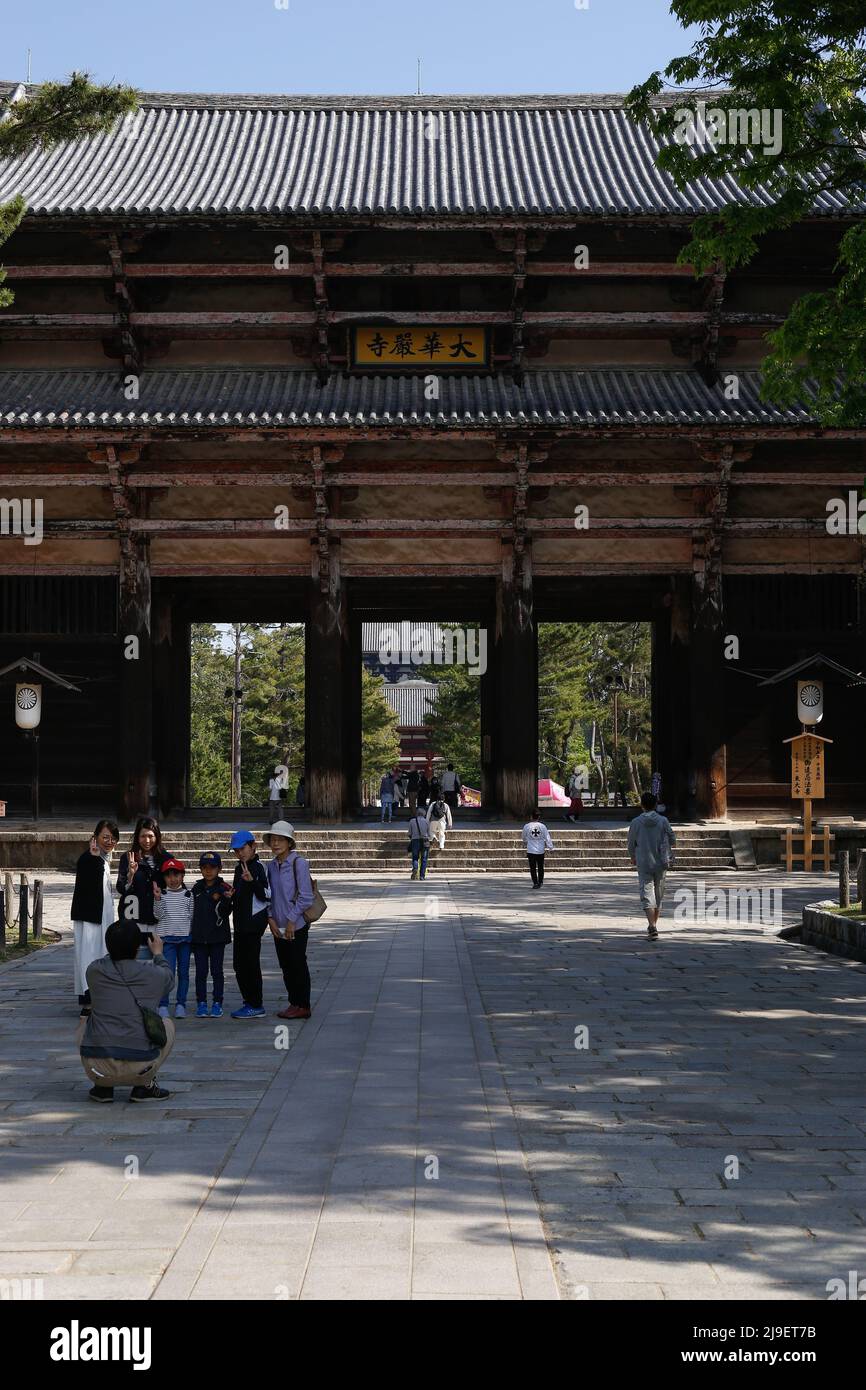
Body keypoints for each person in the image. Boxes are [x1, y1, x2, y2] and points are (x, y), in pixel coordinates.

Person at [79, 918, 175, 1104]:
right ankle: (144, 1086)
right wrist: (158, 954)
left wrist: (117, 950)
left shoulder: (94, 971)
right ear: (137, 948)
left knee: (86, 1020)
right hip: (140, 1066)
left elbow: (108, 962)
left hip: (96, 1068)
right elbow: (169, 979)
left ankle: (103, 1087)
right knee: (166, 1024)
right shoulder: (153, 974)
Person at [266, 820, 315, 1020]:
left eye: (280, 840)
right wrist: (270, 918)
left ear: (289, 842)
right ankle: (293, 1002)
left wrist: (292, 919)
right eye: (273, 840)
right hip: (278, 924)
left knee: (297, 963)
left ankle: (303, 1004)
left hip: (296, 924)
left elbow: (306, 896)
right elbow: (268, 894)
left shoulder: (299, 863)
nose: (276, 843)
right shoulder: (270, 866)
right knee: (285, 965)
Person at [70, 818, 119, 1017]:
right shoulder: (88, 858)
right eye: (105, 837)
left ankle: (100, 998)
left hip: (103, 917)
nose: (109, 841)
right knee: (89, 957)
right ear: (95, 837)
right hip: (91, 919)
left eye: (113, 838)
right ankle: (88, 1000)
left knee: (101, 955)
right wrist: (93, 858)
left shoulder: (102, 859)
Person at [228, 830, 271, 1018]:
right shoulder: (239, 867)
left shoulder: (259, 867)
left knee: (251, 964)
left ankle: (256, 1003)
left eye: (242, 849)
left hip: (253, 925)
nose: (240, 853)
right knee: (239, 964)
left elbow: (267, 895)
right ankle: (248, 1001)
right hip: (240, 924)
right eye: (236, 850)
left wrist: (252, 881)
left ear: (253, 846)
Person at [116, 817, 172, 958]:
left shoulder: (167, 859)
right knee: (137, 963)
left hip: (159, 920)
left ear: (157, 836)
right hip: (134, 919)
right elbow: (121, 888)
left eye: (150, 836)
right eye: (143, 836)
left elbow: (175, 885)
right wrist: (131, 875)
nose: (147, 841)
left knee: (159, 966)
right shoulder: (128, 858)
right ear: (137, 837)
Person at [627, 792, 677, 941]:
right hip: (661, 862)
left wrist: (633, 856)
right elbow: (673, 839)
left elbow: (631, 843)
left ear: (642, 805)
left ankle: (652, 925)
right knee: (658, 892)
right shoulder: (663, 821)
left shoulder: (636, 822)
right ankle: (654, 924)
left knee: (647, 891)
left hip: (643, 861)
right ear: (655, 805)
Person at [191, 852, 233, 1017]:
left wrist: (228, 900)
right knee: (201, 972)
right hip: (199, 938)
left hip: (217, 937)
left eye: (212, 867)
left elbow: (225, 913)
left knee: (217, 971)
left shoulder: (224, 889)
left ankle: (217, 1002)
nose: (208, 871)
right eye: (204, 867)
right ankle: (201, 1002)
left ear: (219, 869)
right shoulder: (196, 888)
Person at [152, 858, 194, 1019]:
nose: (173, 879)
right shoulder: (161, 894)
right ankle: (163, 1004)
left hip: (184, 940)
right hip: (166, 940)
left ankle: (181, 1004)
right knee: (166, 973)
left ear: (182, 876)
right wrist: (157, 899)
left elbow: (191, 917)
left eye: (176, 874)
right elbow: (158, 915)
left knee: (183, 973)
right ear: (164, 878)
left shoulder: (188, 895)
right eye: (169, 875)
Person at [522, 819, 554, 888]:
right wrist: (550, 847)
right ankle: (540, 881)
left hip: (531, 849)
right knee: (540, 867)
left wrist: (525, 841)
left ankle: (535, 883)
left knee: (532, 867)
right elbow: (547, 837)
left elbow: (523, 836)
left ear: (531, 817)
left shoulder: (527, 826)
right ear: (538, 817)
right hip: (540, 849)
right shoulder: (542, 826)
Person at [407, 809, 431, 881]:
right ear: (424, 814)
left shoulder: (412, 821)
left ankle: (415, 868)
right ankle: (422, 876)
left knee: (415, 857)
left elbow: (409, 833)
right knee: (424, 859)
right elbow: (429, 833)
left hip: (415, 841)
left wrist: (413, 837)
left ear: (417, 814)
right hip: (425, 841)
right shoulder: (427, 821)